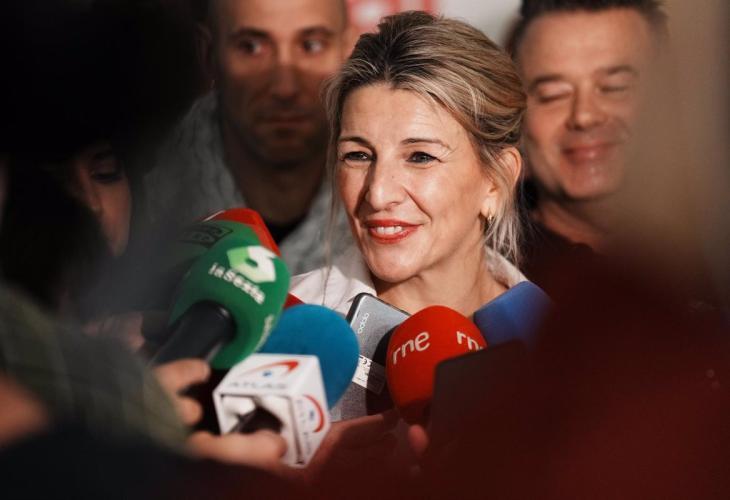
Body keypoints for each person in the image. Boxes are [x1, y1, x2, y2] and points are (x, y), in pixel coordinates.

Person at [291, 11, 531, 425]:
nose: (378, 193)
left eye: (420, 156)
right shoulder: (280, 330)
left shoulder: (564, 346)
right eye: (358, 155)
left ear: (497, 181)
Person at [144, 0, 356, 276]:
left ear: (348, 50)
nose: (284, 88)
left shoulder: (391, 204)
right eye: (252, 47)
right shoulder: (137, 201)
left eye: (311, 46)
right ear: (208, 53)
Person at [508, 0, 667, 295]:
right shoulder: (487, 282)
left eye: (615, 88)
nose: (584, 116)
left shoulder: (714, 257)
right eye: (553, 95)